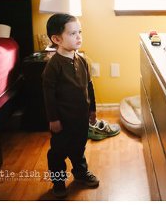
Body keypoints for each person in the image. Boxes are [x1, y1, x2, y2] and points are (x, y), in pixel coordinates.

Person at [42, 13, 99, 198]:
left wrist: (92, 110)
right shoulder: (53, 66)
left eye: (80, 32)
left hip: (80, 119)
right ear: (56, 39)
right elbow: (48, 96)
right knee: (58, 153)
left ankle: (81, 173)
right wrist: (54, 119)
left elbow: (89, 86)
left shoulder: (82, 60)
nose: (79, 37)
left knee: (78, 148)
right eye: (73, 33)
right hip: (63, 121)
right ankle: (58, 183)